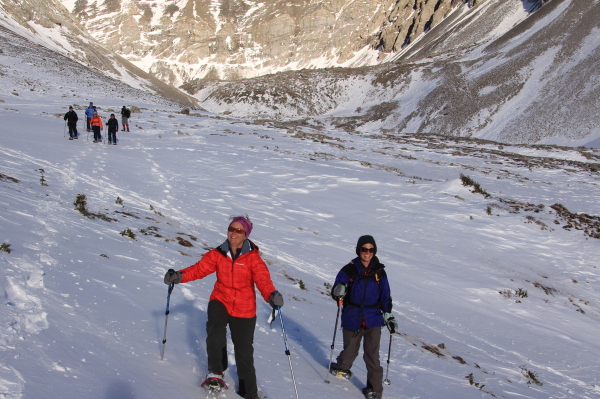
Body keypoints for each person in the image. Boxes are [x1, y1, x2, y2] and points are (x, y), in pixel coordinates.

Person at [163, 216, 283, 399]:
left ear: (245, 235)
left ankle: (248, 391)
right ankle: (216, 373)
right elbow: (199, 269)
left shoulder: (253, 259)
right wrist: (179, 276)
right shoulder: (218, 254)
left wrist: (272, 295)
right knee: (215, 330)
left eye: (238, 231)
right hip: (221, 299)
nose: (233, 233)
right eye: (231, 229)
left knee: (243, 350)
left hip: (244, 307)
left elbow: (263, 281)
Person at [329, 235, 398, 399]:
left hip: (373, 318)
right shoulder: (349, 269)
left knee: (372, 357)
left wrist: (388, 315)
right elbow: (338, 289)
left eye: (371, 250)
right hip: (352, 317)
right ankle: (341, 367)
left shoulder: (380, 272)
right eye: (364, 249)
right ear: (359, 250)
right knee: (349, 353)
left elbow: (385, 294)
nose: (367, 253)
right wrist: (339, 291)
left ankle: (375, 389)